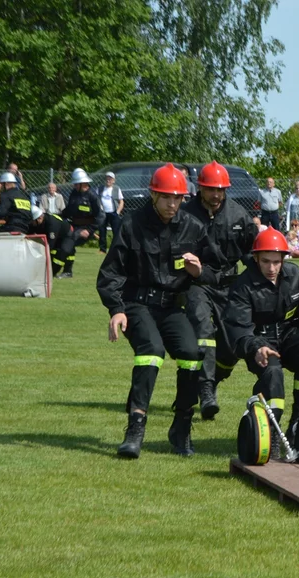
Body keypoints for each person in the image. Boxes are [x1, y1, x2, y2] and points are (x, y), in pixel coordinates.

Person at [96, 164, 214, 459]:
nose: (172, 204)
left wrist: (199, 271)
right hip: (137, 304)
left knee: (191, 355)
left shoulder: (194, 227)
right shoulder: (132, 225)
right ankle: (135, 428)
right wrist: (117, 309)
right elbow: (110, 274)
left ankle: (182, 427)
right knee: (151, 351)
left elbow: (215, 270)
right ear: (153, 195)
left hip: (173, 306)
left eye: (178, 198)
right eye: (166, 198)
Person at [223, 228, 299, 435]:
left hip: (289, 333)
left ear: (284, 259)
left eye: (277, 262)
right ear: (256, 257)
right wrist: (257, 347)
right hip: (259, 340)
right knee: (273, 372)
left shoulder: (295, 275)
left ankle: (298, 423)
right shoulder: (242, 287)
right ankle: (271, 432)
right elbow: (239, 330)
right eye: (266, 261)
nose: (272, 268)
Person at [181, 161, 260, 419]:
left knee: (232, 344)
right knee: (204, 332)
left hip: (229, 285)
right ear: (200, 188)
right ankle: (204, 390)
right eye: (210, 189)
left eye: (220, 189)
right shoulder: (185, 215)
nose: (216, 194)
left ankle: (212, 381)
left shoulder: (239, 216)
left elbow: (252, 254)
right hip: (197, 283)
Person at [60, 168, 102, 275]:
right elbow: (69, 209)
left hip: (85, 228)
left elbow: (101, 216)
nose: (74, 186)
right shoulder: (74, 193)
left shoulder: (92, 196)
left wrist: (89, 230)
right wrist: (58, 217)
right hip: (74, 225)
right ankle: (67, 271)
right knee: (66, 241)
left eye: (76, 184)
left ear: (82, 183)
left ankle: (67, 271)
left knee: (69, 242)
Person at [28, 205, 74, 277]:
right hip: (56, 236)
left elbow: (50, 245)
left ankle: (62, 272)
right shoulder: (36, 222)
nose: (31, 223)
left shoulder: (52, 223)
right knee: (51, 253)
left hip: (67, 235)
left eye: (32, 221)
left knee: (61, 254)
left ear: (39, 218)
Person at [97, 171, 125, 252]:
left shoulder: (116, 189)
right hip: (103, 213)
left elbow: (121, 201)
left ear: (113, 180)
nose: (108, 180)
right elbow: (96, 200)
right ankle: (102, 249)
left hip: (113, 213)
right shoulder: (100, 188)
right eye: (107, 178)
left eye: (110, 178)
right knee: (102, 231)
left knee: (116, 232)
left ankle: (115, 249)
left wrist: (118, 212)